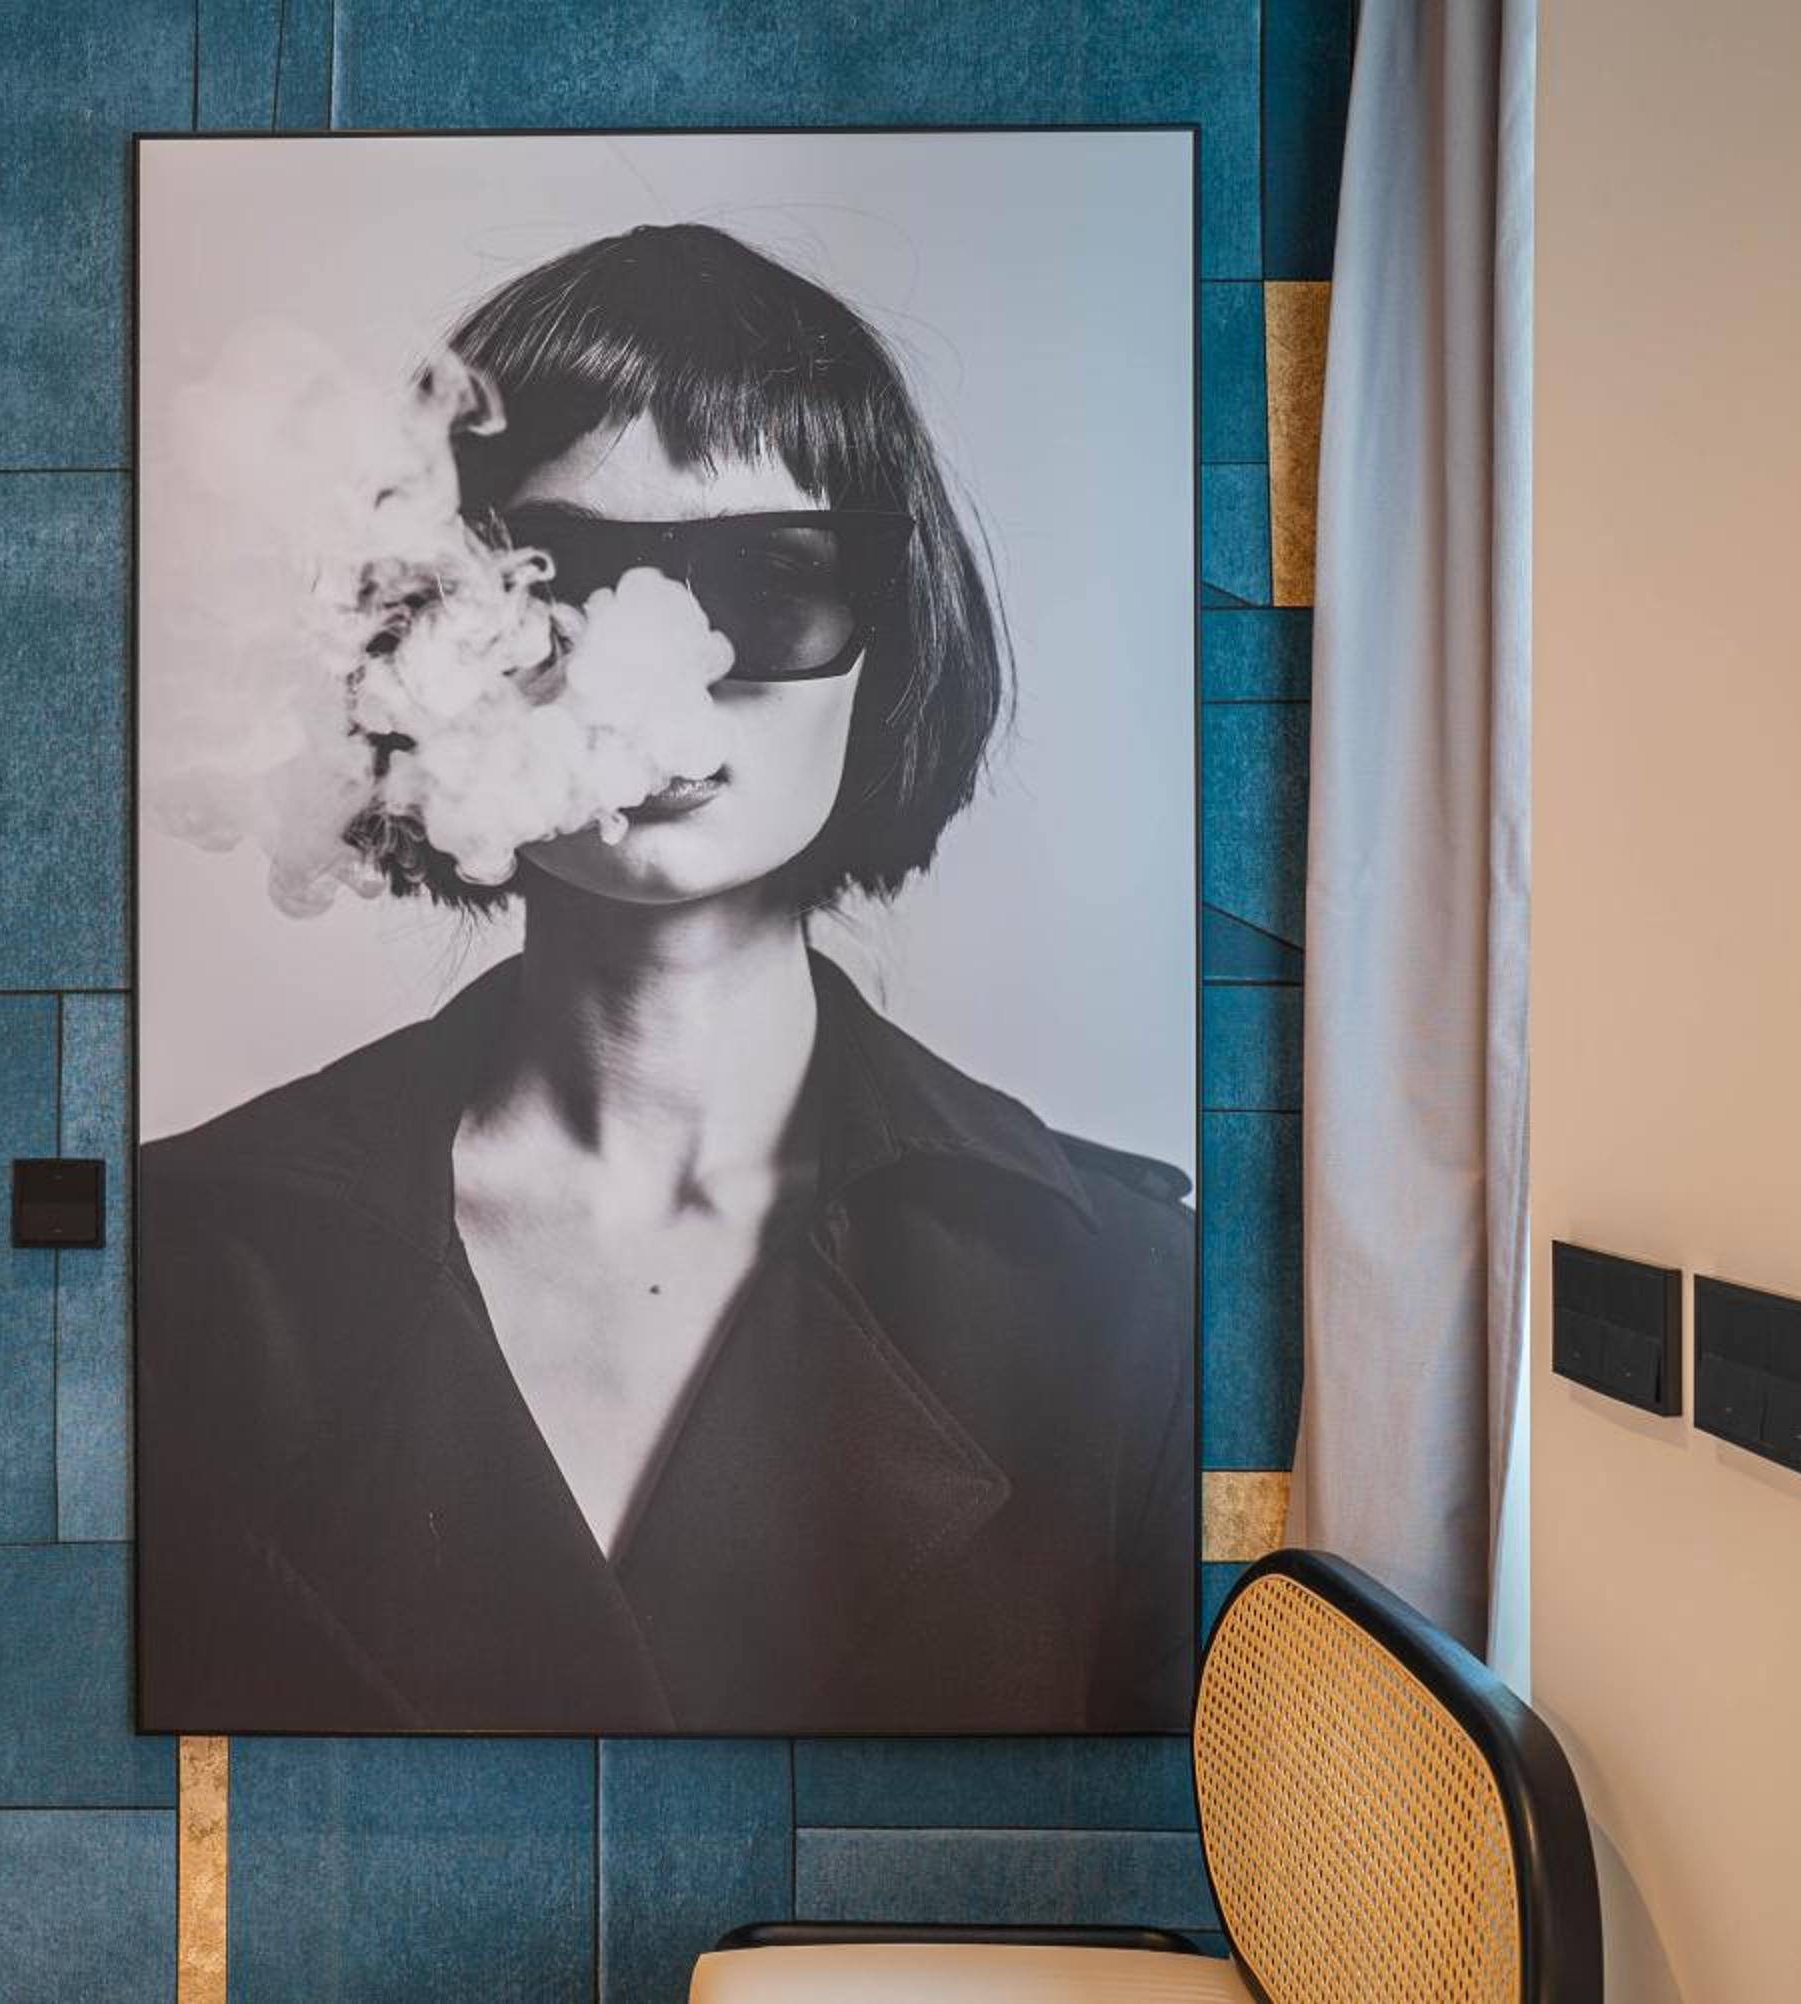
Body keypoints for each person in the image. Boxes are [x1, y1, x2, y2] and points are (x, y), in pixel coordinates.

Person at [137, 222, 1194, 1734]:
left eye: (771, 581)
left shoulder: (1120, 1296)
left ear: (886, 647)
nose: (670, 659)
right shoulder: (193, 1264)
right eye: (562, 576)